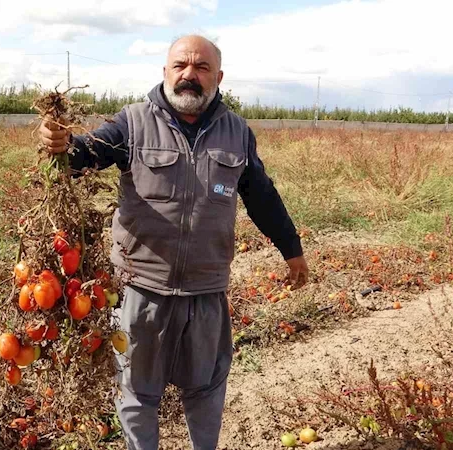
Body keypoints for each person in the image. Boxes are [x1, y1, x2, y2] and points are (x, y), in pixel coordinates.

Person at [38, 34, 309, 450]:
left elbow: (261, 196)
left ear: (218, 76)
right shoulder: (132, 122)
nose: (190, 75)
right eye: (181, 65)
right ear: (165, 72)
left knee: (205, 390)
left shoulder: (237, 132)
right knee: (136, 392)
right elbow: (88, 152)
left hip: (206, 291)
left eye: (201, 68)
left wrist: (292, 249)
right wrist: (64, 147)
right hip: (140, 290)